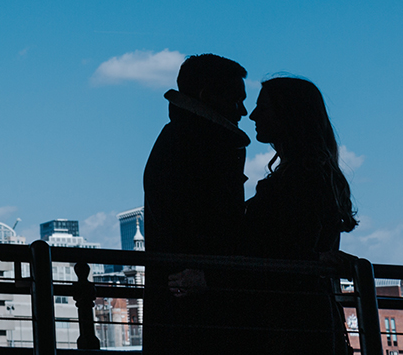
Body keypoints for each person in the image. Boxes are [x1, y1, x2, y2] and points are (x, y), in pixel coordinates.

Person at [142, 53, 250, 354]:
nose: (243, 111)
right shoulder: (203, 146)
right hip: (205, 313)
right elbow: (220, 231)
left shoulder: (181, 140)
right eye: (236, 99)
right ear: (207, 96)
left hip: (181, 312)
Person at [242, 76, 357, 355]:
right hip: (309, 320)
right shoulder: (313, 173)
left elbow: (278, 254)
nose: (253, 115)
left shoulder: (299, 178)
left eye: (264, 108)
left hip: (286, 324)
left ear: (288, 115)